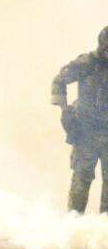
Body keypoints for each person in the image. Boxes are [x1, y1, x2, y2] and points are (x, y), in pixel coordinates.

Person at [52, 25, 108, 213]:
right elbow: (59, 80)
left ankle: (102, 234)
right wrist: (65, 110)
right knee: (81, 182)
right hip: (86, 133)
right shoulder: (87, 63)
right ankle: (74, 228)